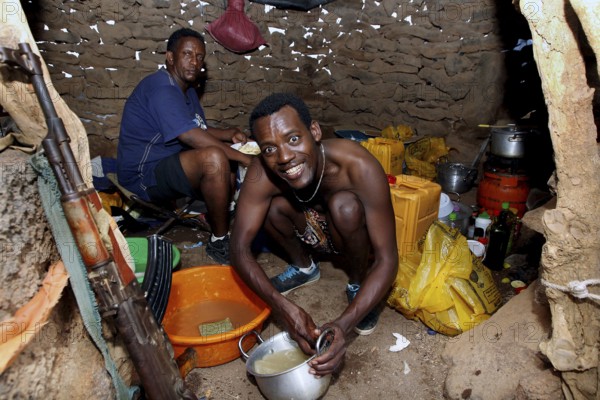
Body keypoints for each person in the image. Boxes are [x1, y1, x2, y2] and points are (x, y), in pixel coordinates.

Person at [230, 93, 398, 376]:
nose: (284, 157)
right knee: (272, 206)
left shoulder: (358, 167)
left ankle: (358, 282)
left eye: (293, 139)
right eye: (269, 149)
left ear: (315, 132)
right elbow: (239, 249)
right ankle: (304, 267)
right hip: (310, 233)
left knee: (344, 206)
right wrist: (283, 309)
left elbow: (388, 259)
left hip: (350, 237)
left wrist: (343, 325)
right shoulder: (261, 174)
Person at [117, 28, 253, 264]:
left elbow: (198, 129)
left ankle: (218, 216)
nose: (194, 62)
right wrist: (245, 159)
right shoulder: (162, 89)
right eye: (187, 54)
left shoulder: (186, 90)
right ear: (170, 57)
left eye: (200, 56)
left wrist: (228, 134)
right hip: (143, 174)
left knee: (223, 158)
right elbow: (191, 136)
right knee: (215, 159)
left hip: (166, 163)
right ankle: (219, 240)